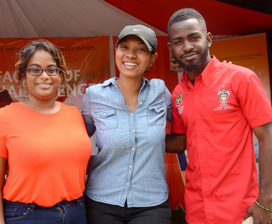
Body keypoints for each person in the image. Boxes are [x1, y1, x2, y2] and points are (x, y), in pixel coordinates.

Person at [165, 8, 272, 224]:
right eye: (178, 42)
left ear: (208, 38)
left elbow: (268, 137)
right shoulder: (178, 93)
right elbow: (179, 142)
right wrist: (133, 135)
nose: (187, 47)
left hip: (241, 211)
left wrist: (266, 201)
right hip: (196, 212)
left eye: (194, 38)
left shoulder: (241, 79)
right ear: (171, 48)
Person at [81, 25, 172, 224]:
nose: (130, 54)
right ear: (116, 52)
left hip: (151, 202)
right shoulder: (94, 95)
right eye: (124, 47)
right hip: (101, 200)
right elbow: (76, 142)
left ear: (152, 58)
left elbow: (194, 122)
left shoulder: (160, 92)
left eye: (140, 49)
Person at [0, 40, 92, 224]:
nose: (44, 76)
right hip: (25, 216)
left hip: (77, 212)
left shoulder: (75, 114)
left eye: (51, 69)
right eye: (35, 69)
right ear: (22, 77)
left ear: (61, 77)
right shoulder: (5, 116)